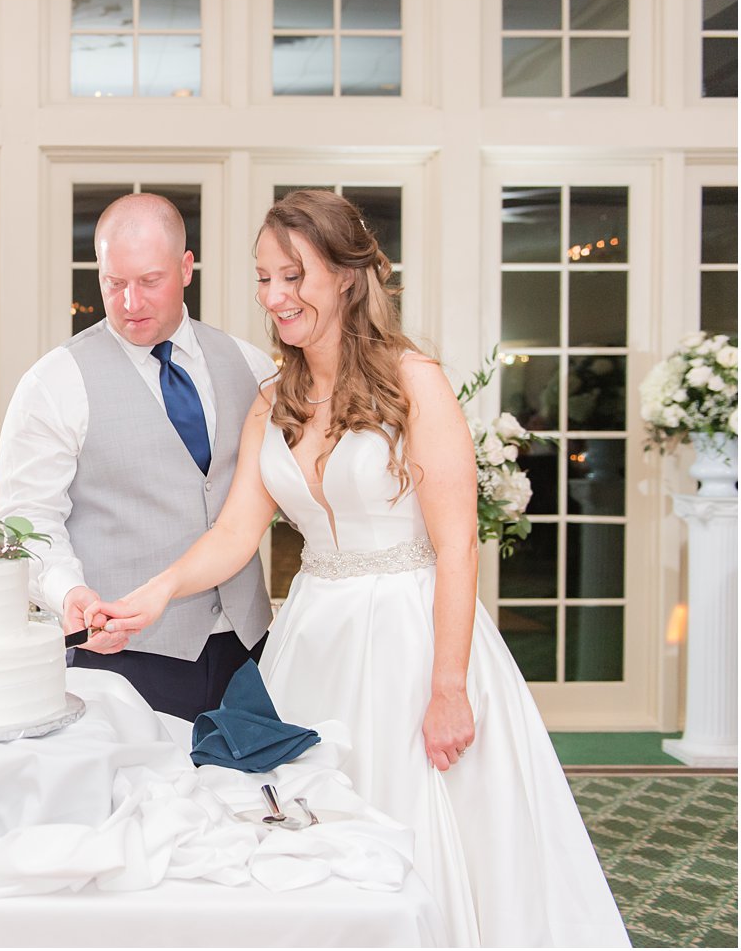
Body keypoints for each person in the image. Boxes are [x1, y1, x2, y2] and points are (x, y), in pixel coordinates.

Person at [87, 189, 629, 947]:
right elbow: (236, 533)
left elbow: (457, 546)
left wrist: (448, 688)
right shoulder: (272, 399)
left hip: (412, 639)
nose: (275, 297)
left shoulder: (416, 381)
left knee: (420, 829)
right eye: (263, 277)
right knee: (307, 831)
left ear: (346, 275)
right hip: (313, 637)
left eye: (293, 276)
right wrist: (151, 595)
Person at [0, 193, 278, 721]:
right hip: (124, 657)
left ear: (187, 268)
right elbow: (24, 519)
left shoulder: (253, 365)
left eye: (150, 281)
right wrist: (67, 591)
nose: (130, 303)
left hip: (249, 651)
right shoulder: (55, 381)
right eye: (114, 283)